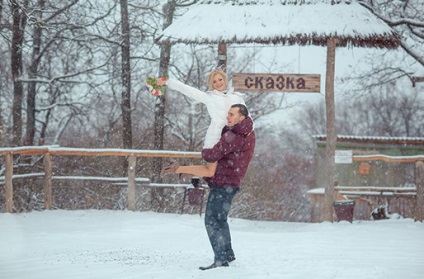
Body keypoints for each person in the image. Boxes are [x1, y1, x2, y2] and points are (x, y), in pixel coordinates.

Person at [162, 104, 256, 270]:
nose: (228, 117)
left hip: (223, 184)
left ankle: (220, 260)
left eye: (232, 114)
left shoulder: (235, 135)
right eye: (228, 113)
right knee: (220, 219)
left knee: (211, 221)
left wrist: (205, 150)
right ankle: (227, 254)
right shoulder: (248, 132)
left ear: (242, 117)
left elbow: (211, 155)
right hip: (231, 182)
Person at [157, 69, 246, 177]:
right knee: (210, 171)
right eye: (214, 82)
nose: (218, 83)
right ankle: (177, 169)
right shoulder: (210, 97)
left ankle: (177, 169)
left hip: (232, 139)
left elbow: (247, 117)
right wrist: (168, 81)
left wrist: (245, 134)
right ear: (211, 84)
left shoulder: (237, 97)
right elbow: (188, 90)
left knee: (229, 171)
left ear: (225, 79)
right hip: (216, 137)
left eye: (220, 79)